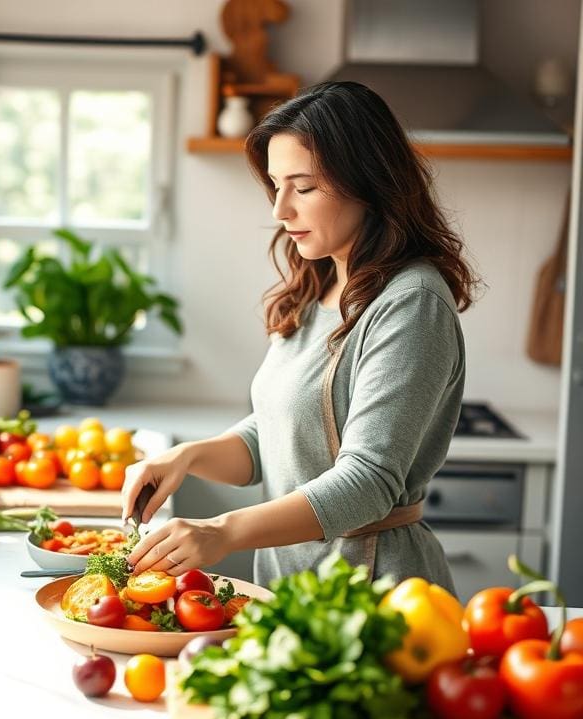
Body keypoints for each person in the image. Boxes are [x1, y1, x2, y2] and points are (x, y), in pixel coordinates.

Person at [121, 81, 479, 594]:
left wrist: (221, 532)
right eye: (276, 185)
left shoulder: (412, 301)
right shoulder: (322, 284)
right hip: (296, 591)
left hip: (375, 595)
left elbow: (367, 482)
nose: (280, 210)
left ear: (369, 183)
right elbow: (279, 434)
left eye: (304, 187)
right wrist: (186, 457)